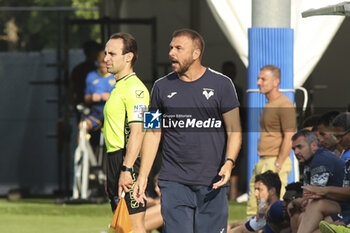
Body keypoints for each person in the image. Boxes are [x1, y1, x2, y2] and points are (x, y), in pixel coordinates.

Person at [134, 28, 242, 233]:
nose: (171, 53)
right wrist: (143, 176)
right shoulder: (160, 87)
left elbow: (235, 130)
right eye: (171, 48)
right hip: (173, 181)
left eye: (178, 48)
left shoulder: (222, 84)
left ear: (196, 53)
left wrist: (229, 163)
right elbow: (152, 132)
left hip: (213, 182)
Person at [103, 32, 150, 233]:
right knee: (122, 225)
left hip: (127, 160)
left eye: (112, 54)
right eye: (106, 53)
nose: (106, 58)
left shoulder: (135, 89)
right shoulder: (119, 86)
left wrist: (127, 169)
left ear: (128, 57)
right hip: (115, 158)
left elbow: (138, 131)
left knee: (134, 226)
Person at [247, 65, 296, 216]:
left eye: (263, 79)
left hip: (274, 162)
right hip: (263, 161)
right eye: (258, 78)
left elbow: (289, 136)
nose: (258, 82)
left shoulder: (284, 104)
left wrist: (278, 165)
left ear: (276, 82)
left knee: (273, 212)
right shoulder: (270, 103)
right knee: (254, 210)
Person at [289, 129, 346, 233]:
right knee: (298, 216)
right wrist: (297, 202)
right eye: (294, 149)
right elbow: (306, 196)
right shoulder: (308, 163)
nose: (296, 152)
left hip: (345, 207)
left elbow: (310, 198)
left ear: (314, 146)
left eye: (300, 147)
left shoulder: (321, 159)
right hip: (333, 205)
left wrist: (297, 202)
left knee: (315, 205)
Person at [69, 40, 101, 109]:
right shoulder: (95, 70)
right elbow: (71, 88)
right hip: (90, 104)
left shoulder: (77, 69)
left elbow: (70, 89)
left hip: (83, 104)